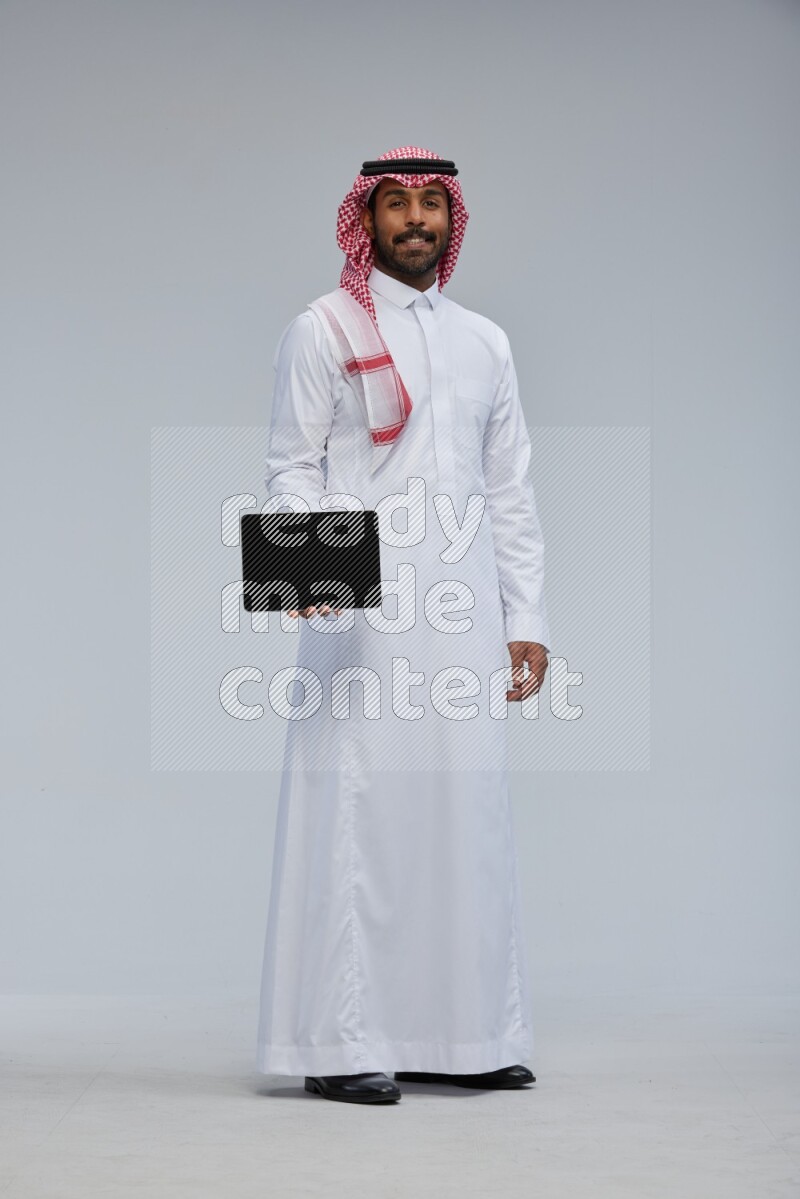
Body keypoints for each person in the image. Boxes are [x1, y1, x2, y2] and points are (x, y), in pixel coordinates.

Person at [256, 146, 551, 1105]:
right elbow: (293, 465)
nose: (415, 219)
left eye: (431, 203)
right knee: (359, 818)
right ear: (367, 220)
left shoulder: (485, 341)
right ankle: (340, 1045)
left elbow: (509, 489)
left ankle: (466, 1036)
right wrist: (308, 574)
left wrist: (527, 619)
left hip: (463, 612)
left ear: (451, 219)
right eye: (396, 204)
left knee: (464, 817)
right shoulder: (325, 326)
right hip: (360, 609)